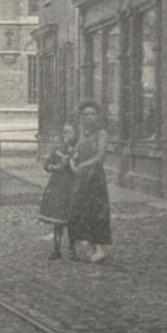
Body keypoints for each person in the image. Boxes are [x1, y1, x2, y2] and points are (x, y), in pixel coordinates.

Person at [68, 101, 112, 263]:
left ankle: (100, 247)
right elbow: (77, 152)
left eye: (92, 114)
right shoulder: (82, 134)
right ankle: (88, 245)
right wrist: (73, 161)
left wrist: (82, 166)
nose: (89, 117)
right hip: (81, 179)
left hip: (95, 178)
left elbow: (100, 157)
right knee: (82, 210)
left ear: (97, 116)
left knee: (97, 211)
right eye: (86, 114)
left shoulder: (101, 134)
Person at [38, 122, 77, 259]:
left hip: (72, 186)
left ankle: (73, 250)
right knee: (58, 219)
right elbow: (47, 164)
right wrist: (55, 167)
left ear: (76, 134)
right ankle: (57, 250)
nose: (67, 136)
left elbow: (81, 169)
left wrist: (71, 165)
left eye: (70, 133)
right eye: (65, 132)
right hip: (58, 186)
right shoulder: (57, 149)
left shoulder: (77, 151)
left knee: (72, 219)